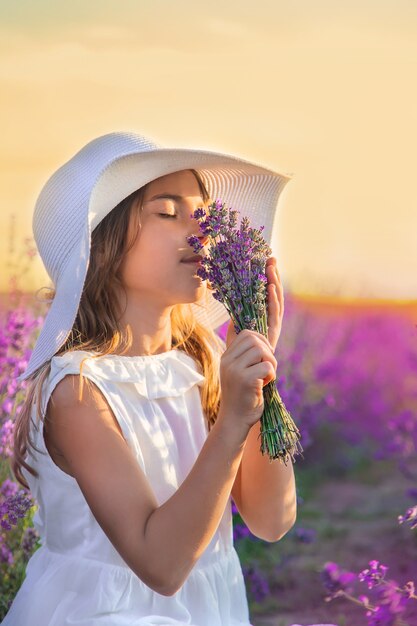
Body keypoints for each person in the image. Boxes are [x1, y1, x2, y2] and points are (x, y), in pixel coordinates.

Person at [4, 131, 297, 626]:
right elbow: (160, 567)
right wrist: (229, 423)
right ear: (103, 242)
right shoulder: (79, 390)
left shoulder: (204, 359)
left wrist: (260, 377)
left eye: (202, 212)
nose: (200, 230)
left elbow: (272, 520)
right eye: (167, 212)